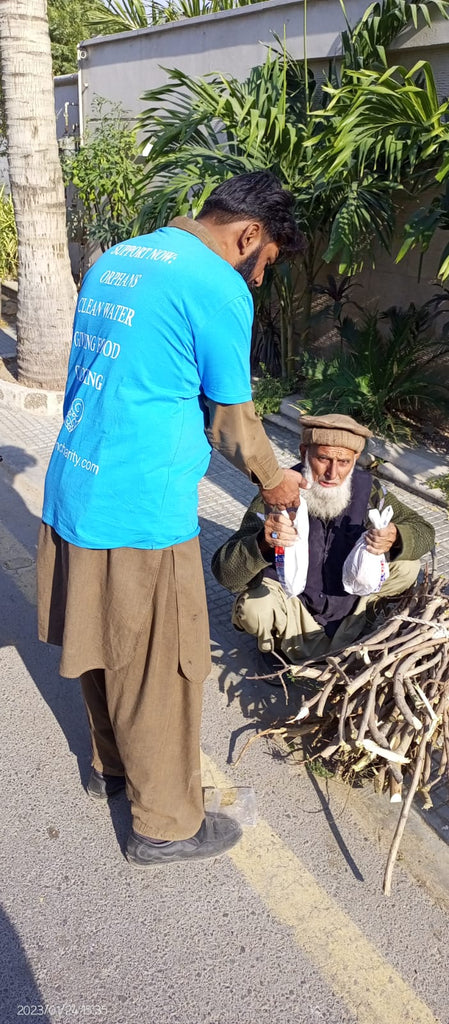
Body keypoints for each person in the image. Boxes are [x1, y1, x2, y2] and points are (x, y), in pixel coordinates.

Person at [37, 171, 306, 867]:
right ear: (249, 235)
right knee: (162, 667)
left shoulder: (120, 257)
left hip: (76, 483)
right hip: (141, 506)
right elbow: (232, 423)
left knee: (104, 642)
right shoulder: (215, 284)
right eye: (265, 263)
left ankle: (112, 770)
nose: (257, 279)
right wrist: (275, 481)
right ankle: (164, 826)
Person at [211, 413, 435, 667]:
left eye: (344, 462)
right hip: (294, 607)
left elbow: (424, 531)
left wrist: (395, 537)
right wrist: (263, 542)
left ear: (354, 460)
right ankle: (276, 647)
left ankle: (362, 626)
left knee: (408, 565)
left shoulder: (370, 491)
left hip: (350, 604)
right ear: (304, 452)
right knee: (254, 607)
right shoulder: (278, 493)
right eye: (323, 458)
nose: (332, 473)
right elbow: (225, 574)